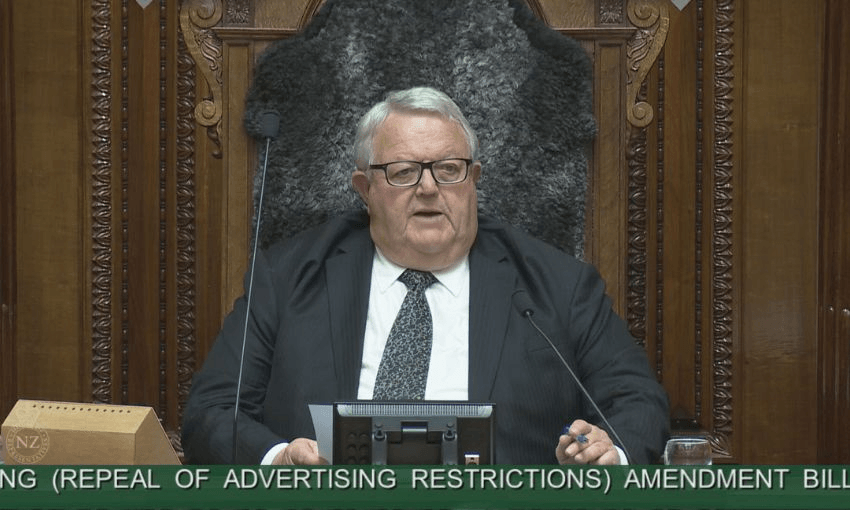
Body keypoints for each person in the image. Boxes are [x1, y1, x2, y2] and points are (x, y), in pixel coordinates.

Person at [181, 87, 669, 465]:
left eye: (449, 169)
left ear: (474, 180)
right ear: (364, 188)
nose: (430, 188)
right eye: (403, 172)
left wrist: (609, 451)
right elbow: (211, 412)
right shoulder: (288, 277)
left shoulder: (558, 285)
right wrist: (280, 459)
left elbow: (639, 403)